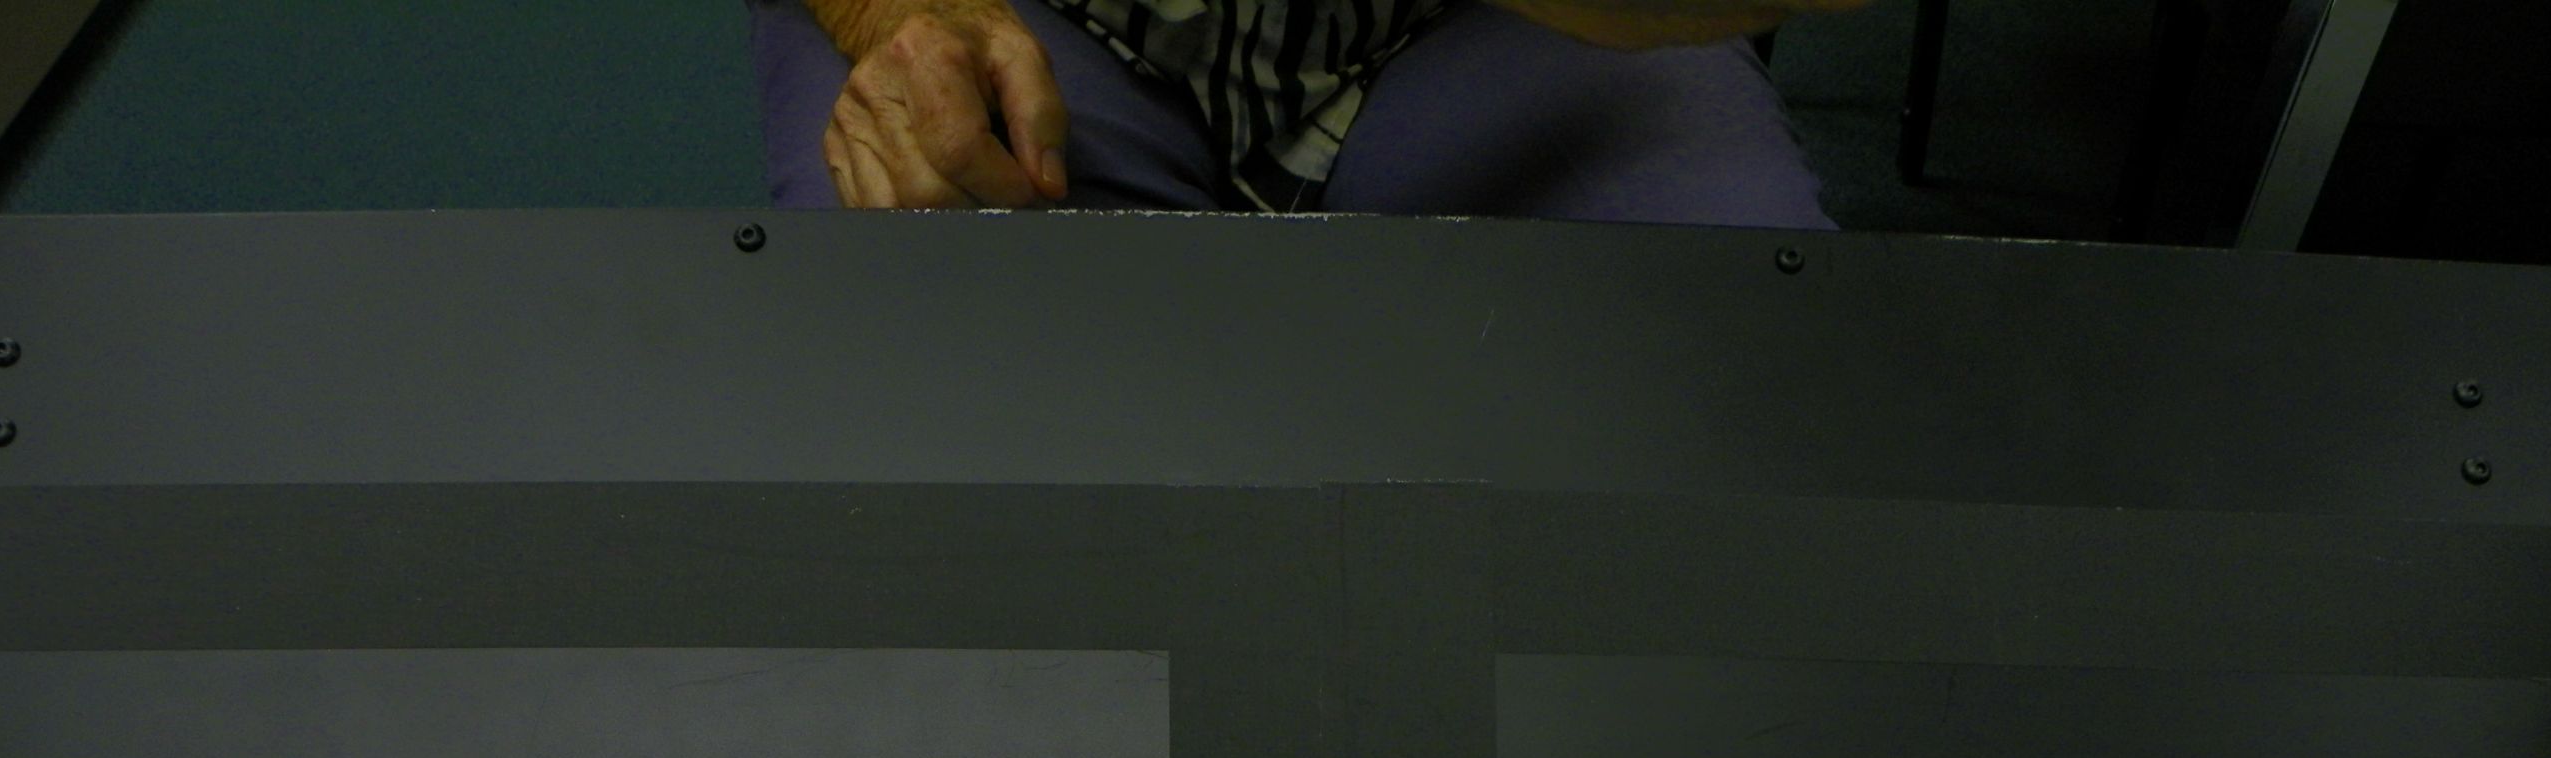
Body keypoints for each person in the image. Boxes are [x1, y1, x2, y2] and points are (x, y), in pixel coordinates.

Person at [747, 0, 1865, 224]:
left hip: (1480, 33)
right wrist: (902, 18)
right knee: (916, 345)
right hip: (1056, 27)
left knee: (1732, 310)